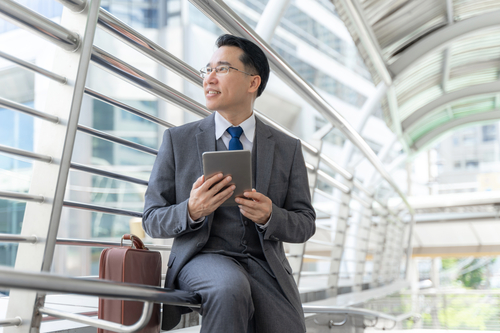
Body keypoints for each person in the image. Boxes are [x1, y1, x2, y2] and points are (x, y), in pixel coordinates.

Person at [143, 34, 316, 333]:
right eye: (206, 70)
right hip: (202, 258)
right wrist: (192, 209)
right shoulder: (178, 140)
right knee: (229, 289)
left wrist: (270, 216)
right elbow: (151, 220)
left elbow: (305, 223)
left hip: (266, 266)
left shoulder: (287, 148)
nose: (209, 79)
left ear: (253, 83)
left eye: (221, 69)